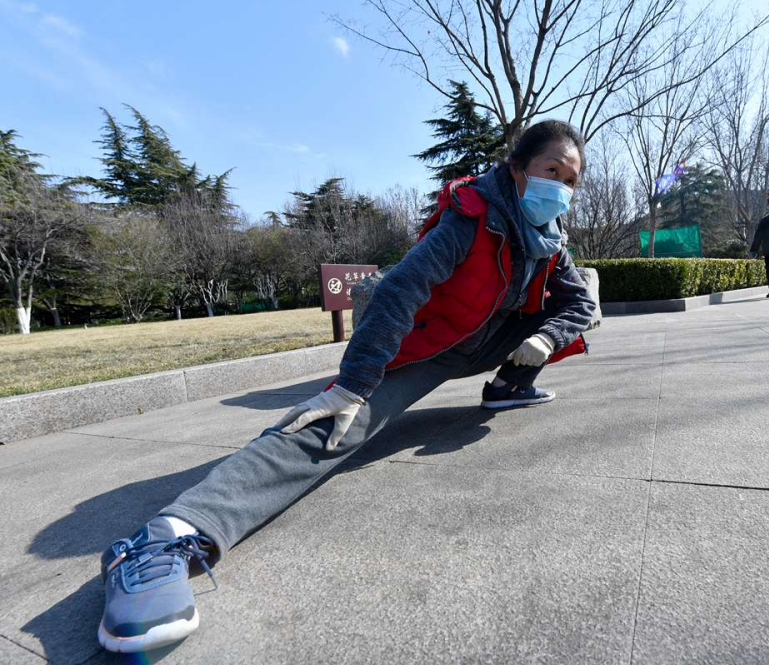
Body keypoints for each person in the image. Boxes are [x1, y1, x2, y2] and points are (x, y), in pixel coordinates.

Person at [96, 120, 597, 653]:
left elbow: (580, 304)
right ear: (518, 169)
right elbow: (398, 292)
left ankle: (510, 387)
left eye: (572, 181)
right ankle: (165, 539)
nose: (561, 189)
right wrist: (353, 385)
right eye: (552, 171)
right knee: (335, 424)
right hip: (431, 347)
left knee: (583, 290)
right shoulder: (471, 218)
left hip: (493, 343)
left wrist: (546, 337)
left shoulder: (548, 239)